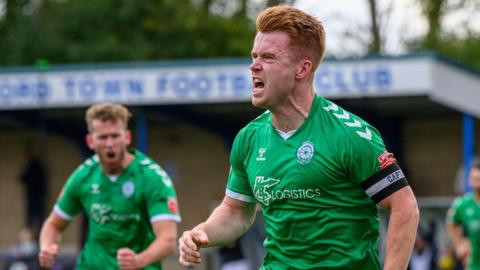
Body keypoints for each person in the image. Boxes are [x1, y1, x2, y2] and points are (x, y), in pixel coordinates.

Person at [179, 5, 419, 270]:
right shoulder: (249, 138)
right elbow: (236, 211)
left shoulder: (350, 135)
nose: (254, 66)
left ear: (302, 69)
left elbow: (404, 207)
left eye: (268, 57)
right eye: (254, 55)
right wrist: (201, 233)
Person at [38, 103, 181, 269]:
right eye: (103, 137)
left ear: (127, 137)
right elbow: (54, 224)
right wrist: (47, 247)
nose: (110, 144)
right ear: (90, 141)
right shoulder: (83, 176)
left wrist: (139, 261)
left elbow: (168, 240)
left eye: (115, 136)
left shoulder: (152, 177)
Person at [446, 158, 480, 270]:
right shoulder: (462, 204)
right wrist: (459, 244)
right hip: (474, 265)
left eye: (478, 178)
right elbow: (451, 222)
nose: (475, 181)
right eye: (473, 178)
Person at [19, 145, 47, 233]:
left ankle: (39, 238)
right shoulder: (28, 166)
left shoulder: (35, 166)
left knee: (37, 218)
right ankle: (29, 239)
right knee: (31, 219)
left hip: (37, 196)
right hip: (32, 195)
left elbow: (25, 178)